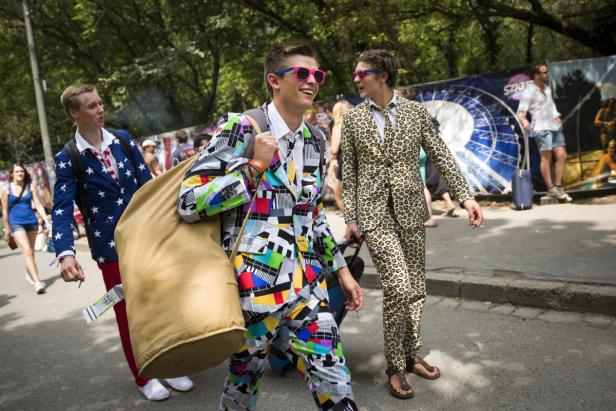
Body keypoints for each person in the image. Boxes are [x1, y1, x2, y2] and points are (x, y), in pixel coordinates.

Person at [177, 42, 363, 410]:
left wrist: (341, 271)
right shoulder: (241, 128)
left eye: (318, 75)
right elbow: (189, 201)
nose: (313, 81)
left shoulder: (316, 140)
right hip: (251, 292)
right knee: (242, 389)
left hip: (307, 288)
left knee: (336, 382)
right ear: (274, 81)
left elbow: (312, 213)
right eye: (303, 73)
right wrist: (254, 167)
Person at [341, 49, 483, 400]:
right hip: (374, 216)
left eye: (363, 74)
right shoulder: (353, 119)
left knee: (417, 287)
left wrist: (466, 197)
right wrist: (351, 217)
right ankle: (394, 366)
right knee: (399, 287)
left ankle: (410, 352)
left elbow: (441, 155)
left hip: (410, 211)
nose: (356, 79)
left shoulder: (416, 113)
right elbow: (350, 172)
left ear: (383, 75)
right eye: (356, 74)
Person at [51, 83, 193, 401]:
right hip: (110, 248)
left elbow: (148, 186)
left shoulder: (124, 141)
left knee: (161, 303)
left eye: (100, 103)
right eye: (91, 106)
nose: (100, 109)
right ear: (74, 113)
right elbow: (61, 207)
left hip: (147, 238)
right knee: (127, 312)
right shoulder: (68, 158)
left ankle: (169, 363)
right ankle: (144, 376)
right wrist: (65, 253)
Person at [517, 63, 572, 202]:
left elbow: (551, 106)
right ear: (535, 75)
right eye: (542, 73)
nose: (545, 75)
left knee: (562, 155)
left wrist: (557, 117)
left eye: (546, 72)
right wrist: (525, 122)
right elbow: (521, 112)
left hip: (554, 126)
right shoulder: (529, 91)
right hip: (541, 127)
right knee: (546, 158)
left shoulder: (547, 88)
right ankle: (551, 188)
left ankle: (558, 187)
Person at [1, 163, 50, 294]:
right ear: (12, 174)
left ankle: (29, 275)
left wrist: (46, 219)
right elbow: (4, 211)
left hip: (31, 221)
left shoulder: (30, 187)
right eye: (17, 172)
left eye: (21, 171)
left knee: (31, 252)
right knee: (28, 251)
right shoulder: (6, 189)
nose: (20, 174)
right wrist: (6, 230)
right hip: (16, 223)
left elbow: (38, 205)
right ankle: (37, 282)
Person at [327, 99, 353, 213]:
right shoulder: (359, 122)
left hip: (345, 162)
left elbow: (334, 148)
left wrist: (333, 159)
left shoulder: (338, 124)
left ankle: (353, 224)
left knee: (339, 195)